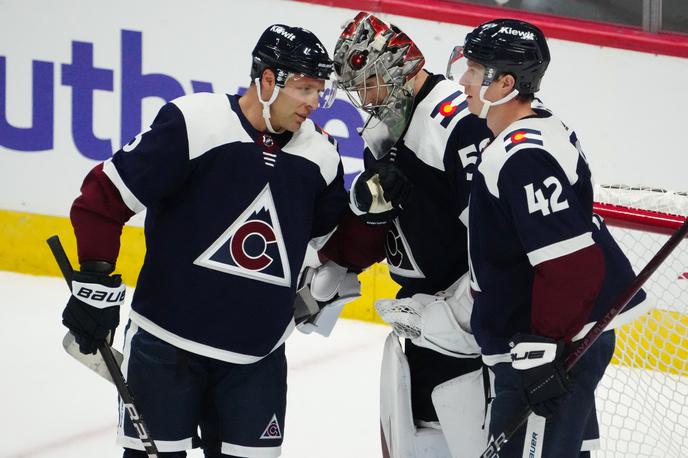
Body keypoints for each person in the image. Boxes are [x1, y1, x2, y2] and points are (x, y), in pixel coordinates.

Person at [61, 24, 354, 458]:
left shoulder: (322, 157)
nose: (314, 103)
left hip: (257, 359)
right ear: (268, 81)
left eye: (319, 90)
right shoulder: (195, 122)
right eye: (305, 88)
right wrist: (95, 286)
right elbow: (102, 200)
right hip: (165, 347)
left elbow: (336, 245)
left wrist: (370, 213)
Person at [448, 19, 648, 457]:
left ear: (503, 83)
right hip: (554, 338)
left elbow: (570, 264)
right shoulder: (534, 126)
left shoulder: (524, 156)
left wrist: (544, 349)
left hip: (553, 346)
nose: (462, 79)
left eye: (474, 69)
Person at [330, 12, 493, 457]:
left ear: (397, 70)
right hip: (421, 321)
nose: (362, 99)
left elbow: (494, 239)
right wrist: (367, 210)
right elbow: (385, 235)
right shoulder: (384, 131)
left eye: (367, 84)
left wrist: (460, 315)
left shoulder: (457, 124)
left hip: (465, 330)